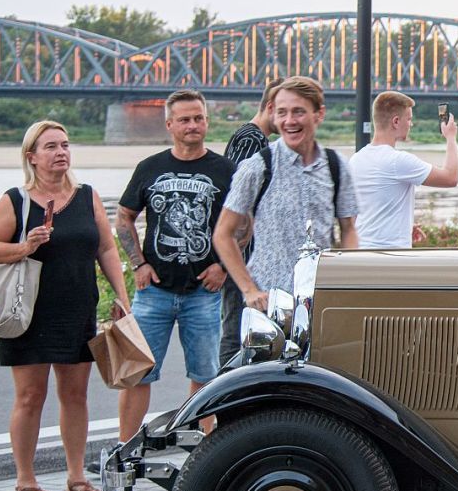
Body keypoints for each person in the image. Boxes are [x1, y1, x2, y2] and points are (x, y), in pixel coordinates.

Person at [0, 119, 128, 491]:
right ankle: (25, 481)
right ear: (31, 156)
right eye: (50, 146)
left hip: (77, 306)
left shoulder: (87, 196)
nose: (61, 152)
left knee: (76, 395)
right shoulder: (16, 200)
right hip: (29, 311)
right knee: (30, 396)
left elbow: (106, 249)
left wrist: (122, 296)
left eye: (64, 144)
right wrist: (24, 247)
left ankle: (76, 476)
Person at [114, 90, 232, 442]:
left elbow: (243, 224)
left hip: (203, 292)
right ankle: (126, 450)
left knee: (206, 375)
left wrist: (223, 266)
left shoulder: (225, 170)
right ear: (169, 125)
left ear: (206, 122)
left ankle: (203, 449)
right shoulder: (150, 168)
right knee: (137, 374)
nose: (192, 125)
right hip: (154, 291)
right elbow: (123, 217)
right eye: (184, 119)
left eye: (198, 118)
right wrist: (137, 264)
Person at [214, 76, 360, 317]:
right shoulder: (258, 166)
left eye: (298, 112)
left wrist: (347, 282)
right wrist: (249, 290)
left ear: (319, 114)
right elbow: (223, 234)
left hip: (322, 303)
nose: (289, 121)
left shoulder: (336, 165)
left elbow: (349, 229)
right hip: (269, 304)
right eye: (282, 112)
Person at [218, 80, 280, 365]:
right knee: (237, 330)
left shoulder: (251, 136)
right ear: (270, 107)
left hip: (245, 254)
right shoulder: (251, 140)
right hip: (243, 256)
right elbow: (239, 194)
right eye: (281, 111)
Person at [349, 91, 458, 250]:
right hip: (389, 255)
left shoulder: (356, 160)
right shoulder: (398, 161)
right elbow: (450, 177)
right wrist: (451, 137)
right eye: (409, 119)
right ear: (396, 121)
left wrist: (403, 225)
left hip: (361, 252)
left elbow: (360, 212)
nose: (411, 124)